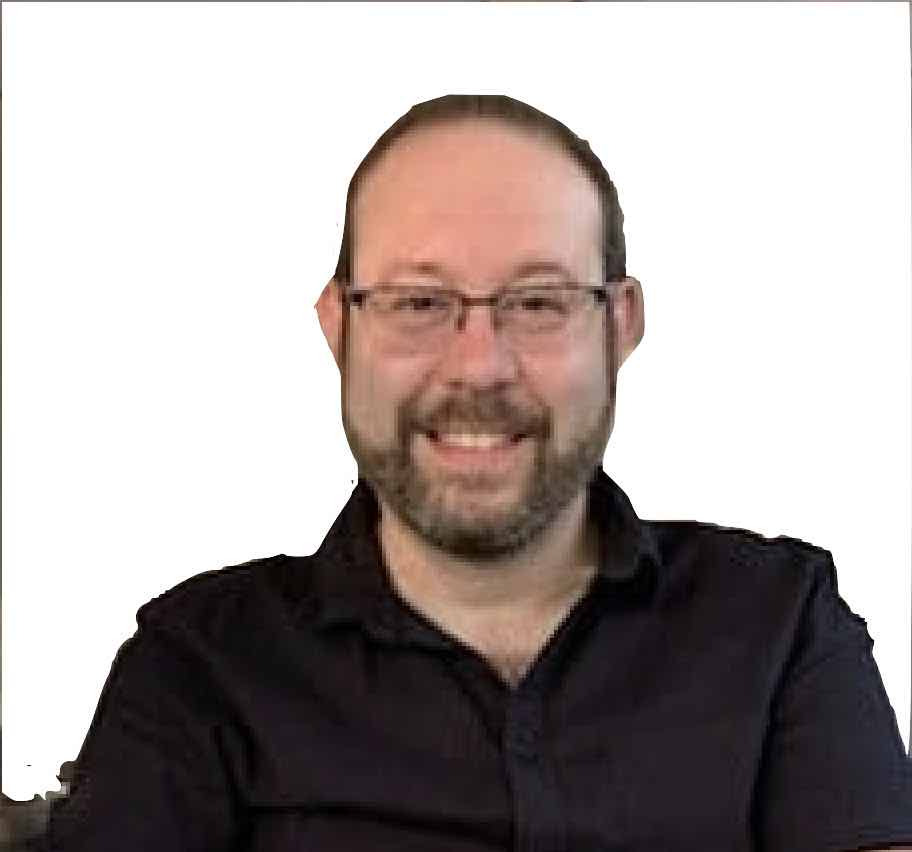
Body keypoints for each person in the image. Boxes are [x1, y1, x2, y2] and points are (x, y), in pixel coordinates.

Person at [46, 94, 912, 851]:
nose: (479, 367)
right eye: (419, 303)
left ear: (621, 324)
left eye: (537, 303)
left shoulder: (782, 624)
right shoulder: (197, 665)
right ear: (338, 327)